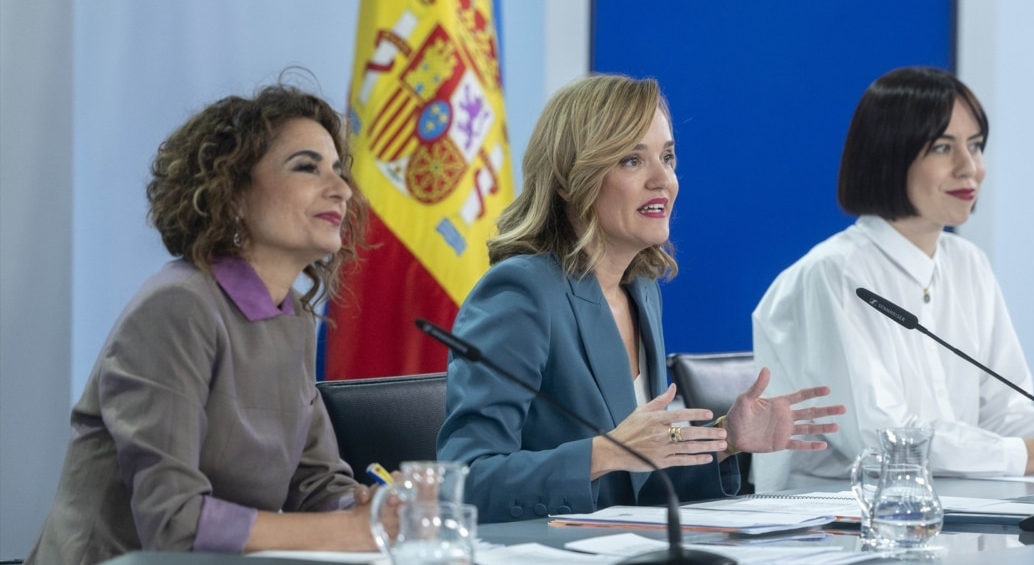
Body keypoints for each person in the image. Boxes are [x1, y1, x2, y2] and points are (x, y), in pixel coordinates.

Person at [436, 74, 846, 523]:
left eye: (667, 157)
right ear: (570, 181)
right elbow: (464, 483)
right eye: (632, 160)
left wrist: (726, 438)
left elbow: (636, 487)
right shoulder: (521, 293)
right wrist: (604, 452)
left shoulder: (641, 290)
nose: (663, 180)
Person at [27, 81, 385, 562]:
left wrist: (372, 508)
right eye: (307, 167)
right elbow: (174, 522)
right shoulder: (177, 308)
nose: (342, 189)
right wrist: (346, 532)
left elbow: (316, 485)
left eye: (339, 172)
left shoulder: (291, 318)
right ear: (231, 193)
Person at [751, 66, 1034, 490]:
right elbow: (881, 440)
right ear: (890, 155)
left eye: (975, 146)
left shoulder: (968, 263)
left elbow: (1004, 411)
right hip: (832, 528)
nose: (969, 167)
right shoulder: (833, 275)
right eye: (942, 148)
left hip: (953, 510)